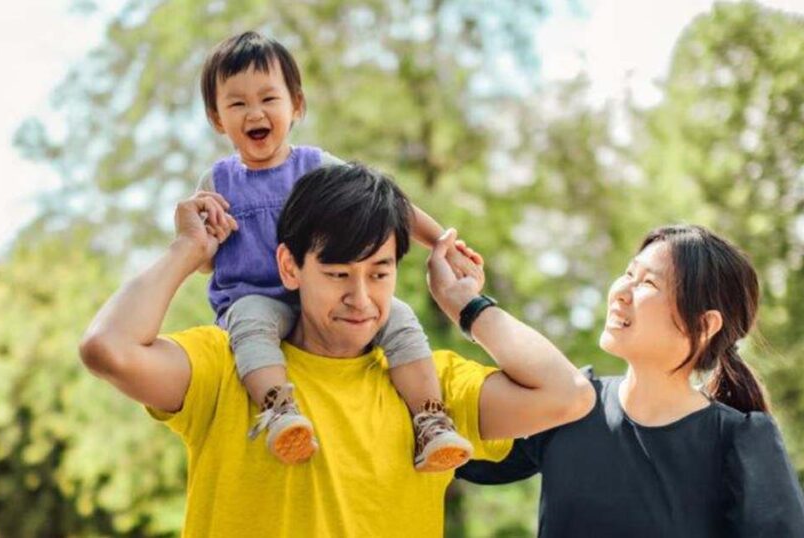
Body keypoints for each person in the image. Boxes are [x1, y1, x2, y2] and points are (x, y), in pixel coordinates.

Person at [79, 163, 594, 537]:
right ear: (290, 267)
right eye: (338, 274)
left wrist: (465, 304)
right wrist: (188, 251)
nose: (361, 298)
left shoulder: (431, 391)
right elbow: (108, 348)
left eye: (380, 273)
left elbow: (567, 393)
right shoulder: (226, 364)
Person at [194, 31, 477, 470]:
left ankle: (430, 419)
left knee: (399, 316)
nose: (255, 113)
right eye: (237, 104)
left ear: (297, 106)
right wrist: (200, 229)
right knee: (248, 322)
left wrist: (442, 241)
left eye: (269, 98)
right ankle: (279, 412)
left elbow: (387, 205)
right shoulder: (217, 184)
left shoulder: (316, 166)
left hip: (325, 296)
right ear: (217, 118)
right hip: (254, 299)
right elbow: (205, 260)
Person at [458, 224, 804, 537]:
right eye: (628, 273)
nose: (622, 291)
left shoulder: (738, 440)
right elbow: (452, 455)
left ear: (704, 326)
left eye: (648, 283)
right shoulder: (570, 406)